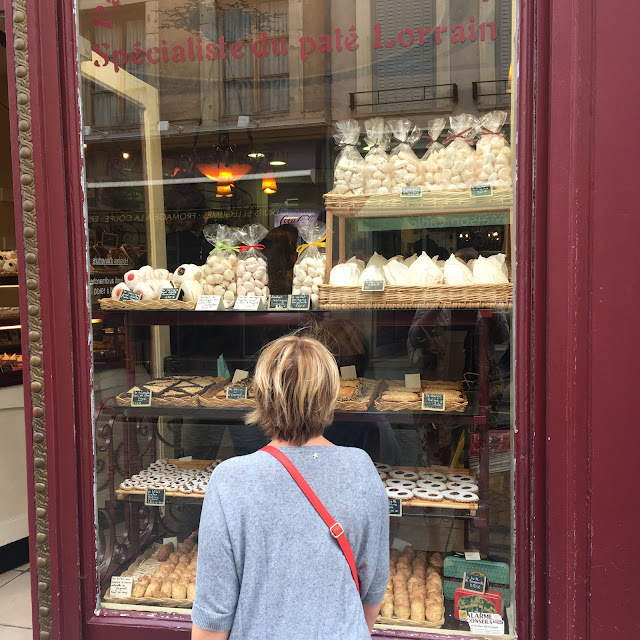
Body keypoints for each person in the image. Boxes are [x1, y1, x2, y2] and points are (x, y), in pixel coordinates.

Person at [191, 335, 389, 639]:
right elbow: (372, 592)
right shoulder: (361, 468)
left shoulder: (231, 479)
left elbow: (213, 618)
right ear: (330, 395)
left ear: (261, 395)